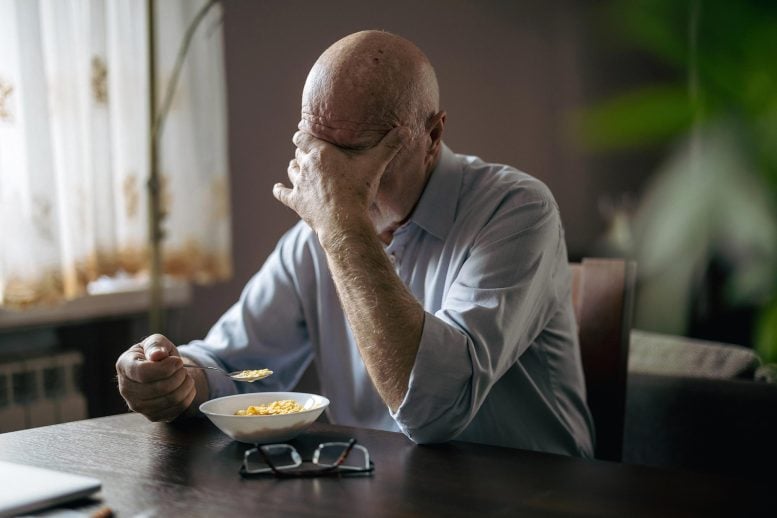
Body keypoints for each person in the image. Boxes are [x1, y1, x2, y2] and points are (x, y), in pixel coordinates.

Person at [115, 30, 595, 457]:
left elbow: (434, 411)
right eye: (311, 146)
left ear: (432, 134)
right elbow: (232, 364)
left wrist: (343, 228)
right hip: (379, 489)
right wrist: (179, 379)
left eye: (353, 151)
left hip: (535, 494)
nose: (327, 176)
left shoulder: (516, 210)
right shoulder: (315, 239)